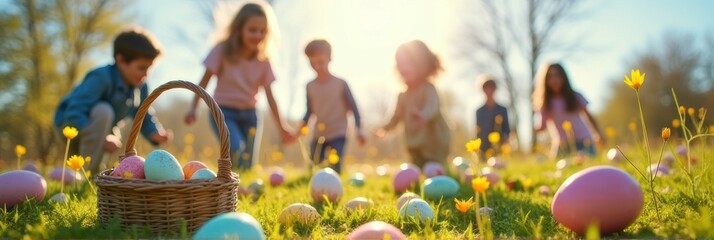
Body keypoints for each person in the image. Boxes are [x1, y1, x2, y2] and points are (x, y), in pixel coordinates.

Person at [184, 3, 290, 170]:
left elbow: (270, 96)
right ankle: (229, 190)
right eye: (252, 29)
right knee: (237, 152)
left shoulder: (264, 60)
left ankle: (242, 192)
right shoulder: (222, 50)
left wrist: (282, 127)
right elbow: (203, 82)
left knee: (247, 165)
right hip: (223, 112)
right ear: (239, 28)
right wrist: (193, 108)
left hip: (250, 115)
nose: (258, 35)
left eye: (263, 31)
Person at [54, 28, 172, 174]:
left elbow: (143, 114)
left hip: (102, 129)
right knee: (104, 110)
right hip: (72, 125)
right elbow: (75, 109)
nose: (146, 74)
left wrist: (154, 132)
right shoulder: (101, 77)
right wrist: (102, 138)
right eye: (141, 68)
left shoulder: (140, 86)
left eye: (149, 69)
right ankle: (88, 177)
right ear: (121, 61)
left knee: (113, 131)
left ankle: (95, 173)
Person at [374, 40, 451, 168]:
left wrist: (424, 115)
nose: (402, 67)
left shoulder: (428, 88)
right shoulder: (403, 96)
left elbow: (433, 105)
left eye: (407, 62)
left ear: (421, 63)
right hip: (414, 144)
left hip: (433, 142)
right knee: (416, 169)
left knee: (433, 168)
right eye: (399, 63)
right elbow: (395, 117)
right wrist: (384, 128)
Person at [293, 40, 365, 174]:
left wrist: (359, 129)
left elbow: (354, 108)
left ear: (330, 58)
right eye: (312, 63)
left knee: (334, 165)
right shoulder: (310, 86)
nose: (317, 66)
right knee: (314, 166)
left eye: (320, 62)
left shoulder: (341, 84)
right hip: (319, 133)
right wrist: (298, 131)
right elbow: (309, 112)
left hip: (338, 132)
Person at [532, 62, 603, 157]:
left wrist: (598, 133)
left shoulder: (575, 96)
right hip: (562, 144)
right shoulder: (545, 104)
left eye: (557, 76)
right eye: (550, 77)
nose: (554, 80)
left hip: (584, 141)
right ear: (545, 81)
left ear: (563, 77)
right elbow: (542, 127)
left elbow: (589, 117)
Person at [475, 75, 511, 154]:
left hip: (500, 149)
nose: (489, 90)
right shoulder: (479, 112)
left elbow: (507, 130)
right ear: (483, 90)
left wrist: (505, 145)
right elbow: (478, 133)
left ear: (495, 89)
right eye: (486, 87)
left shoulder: (502, 110)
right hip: (484, 150)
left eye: (491, 87)